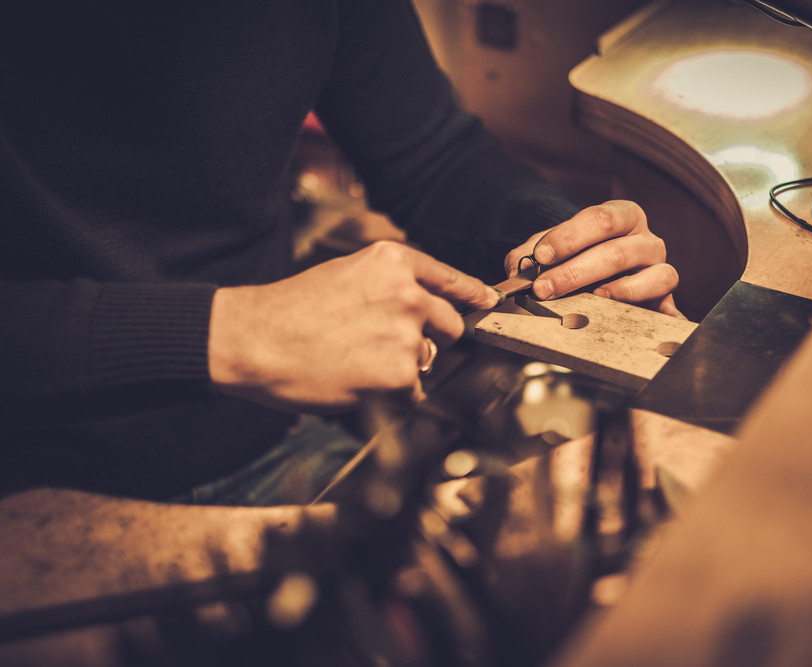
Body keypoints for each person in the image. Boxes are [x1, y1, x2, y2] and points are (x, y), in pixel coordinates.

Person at [0, 0, 679, 504]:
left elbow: (432, 157)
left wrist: (559, 245)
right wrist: (228, 333)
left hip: (271, 441)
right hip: (33, 490)